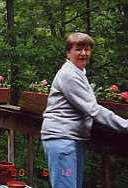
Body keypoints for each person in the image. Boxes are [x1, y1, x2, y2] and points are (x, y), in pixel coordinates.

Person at [41, 32, 128, 188]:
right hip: (61, 140)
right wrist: (125, 125)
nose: (84, 53)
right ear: (68, 52)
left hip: (73, 139)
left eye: (87, 49)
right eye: (78, 49)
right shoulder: (68, 75)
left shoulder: (79, 72)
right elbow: (93, 109)